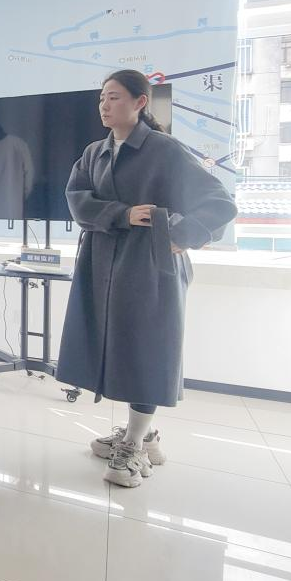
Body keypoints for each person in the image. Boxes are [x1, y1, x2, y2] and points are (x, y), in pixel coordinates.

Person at [57, 69, 237, 488]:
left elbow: (219, 202)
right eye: (102, 98)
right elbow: (77, 201)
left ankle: (134, 444)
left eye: (114, 97)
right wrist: (121, 214)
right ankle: (144, 435)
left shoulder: (165, 150)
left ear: (140, 102)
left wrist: (182, 235)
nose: (104, 105)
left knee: (146, 351)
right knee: (113, 349)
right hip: (101, 262)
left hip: (148, 264)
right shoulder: (94, 152)